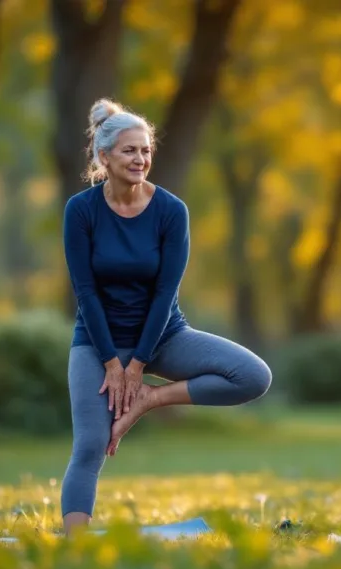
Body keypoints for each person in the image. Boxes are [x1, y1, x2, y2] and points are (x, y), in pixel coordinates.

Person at [60, 98, 272, 535]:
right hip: (98, 342)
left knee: (253, 375)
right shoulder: (81, 210)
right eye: (129, 151)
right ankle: (73, 544)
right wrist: (111, 363)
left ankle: (150, 401)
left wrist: (138, 373)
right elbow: (85, 292)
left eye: (144, 150)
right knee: (90, 446)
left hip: (163, 335)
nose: (140, 159)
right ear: (104, 157)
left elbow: (164, 293)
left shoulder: (171, 211)